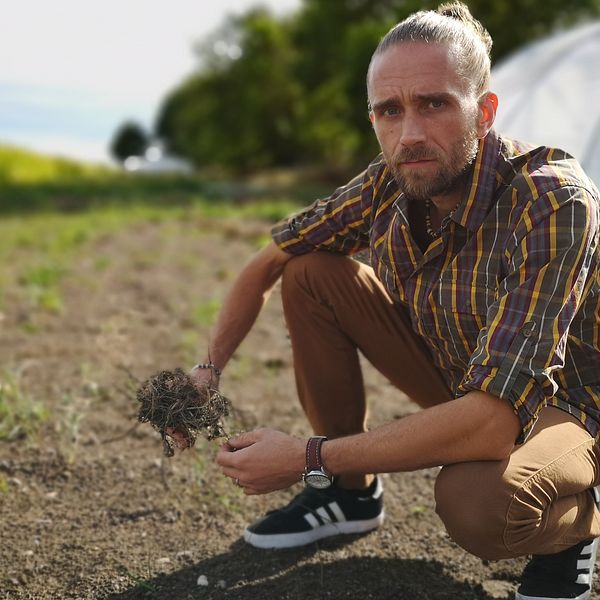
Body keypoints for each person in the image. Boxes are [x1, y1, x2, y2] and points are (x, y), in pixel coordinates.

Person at [182, 3, 600, 599]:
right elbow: (268, 261)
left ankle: (575, 524)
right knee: (310, 273)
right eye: (389, 110)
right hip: (471, 382)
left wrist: (308, 456)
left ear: (483, 112)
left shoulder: (553, 201)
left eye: (434, 103)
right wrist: (207, 370)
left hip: (573, 406)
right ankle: (351, 495)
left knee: (479, 503)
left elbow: (492, 422)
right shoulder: (391, 180)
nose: (410, 134)